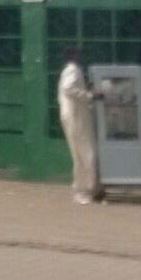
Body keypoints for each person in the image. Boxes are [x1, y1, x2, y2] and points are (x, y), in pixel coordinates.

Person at [58, 47, 102, 205]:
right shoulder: (73, 70)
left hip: (73, 116)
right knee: (86, 154)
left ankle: (85, 188)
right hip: (76, 117)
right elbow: (69, 88)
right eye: (78, 53)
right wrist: (89, 96)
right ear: (73, 56)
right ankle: (85, 189)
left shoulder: (70, 71)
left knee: (80, 153)